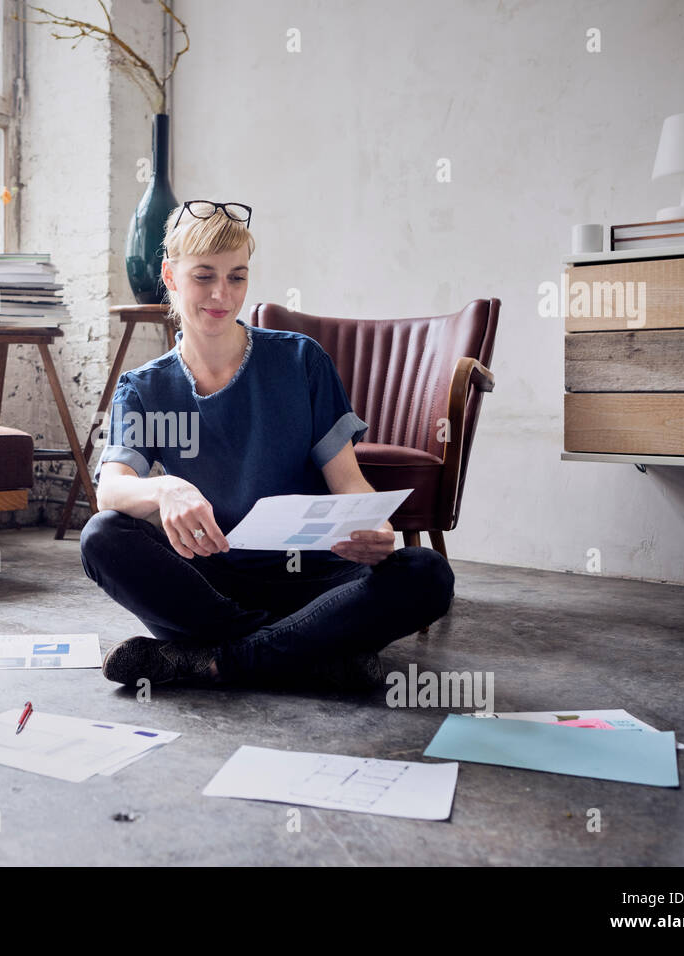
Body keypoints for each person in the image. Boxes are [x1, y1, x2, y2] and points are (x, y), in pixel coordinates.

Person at [80, 200, 454, 692]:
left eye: (237, 277)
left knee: (425, 573)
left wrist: (378, 530)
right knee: (102, 537)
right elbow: (111, 491)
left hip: (318, 581)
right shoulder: (144, 388)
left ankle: (215, 661)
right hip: (212, 584)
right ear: (170, 277)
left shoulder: (300, 361)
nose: (221, 294)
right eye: (204, 276)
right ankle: (309, 654)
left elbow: (349, 482)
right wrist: (164, 489)